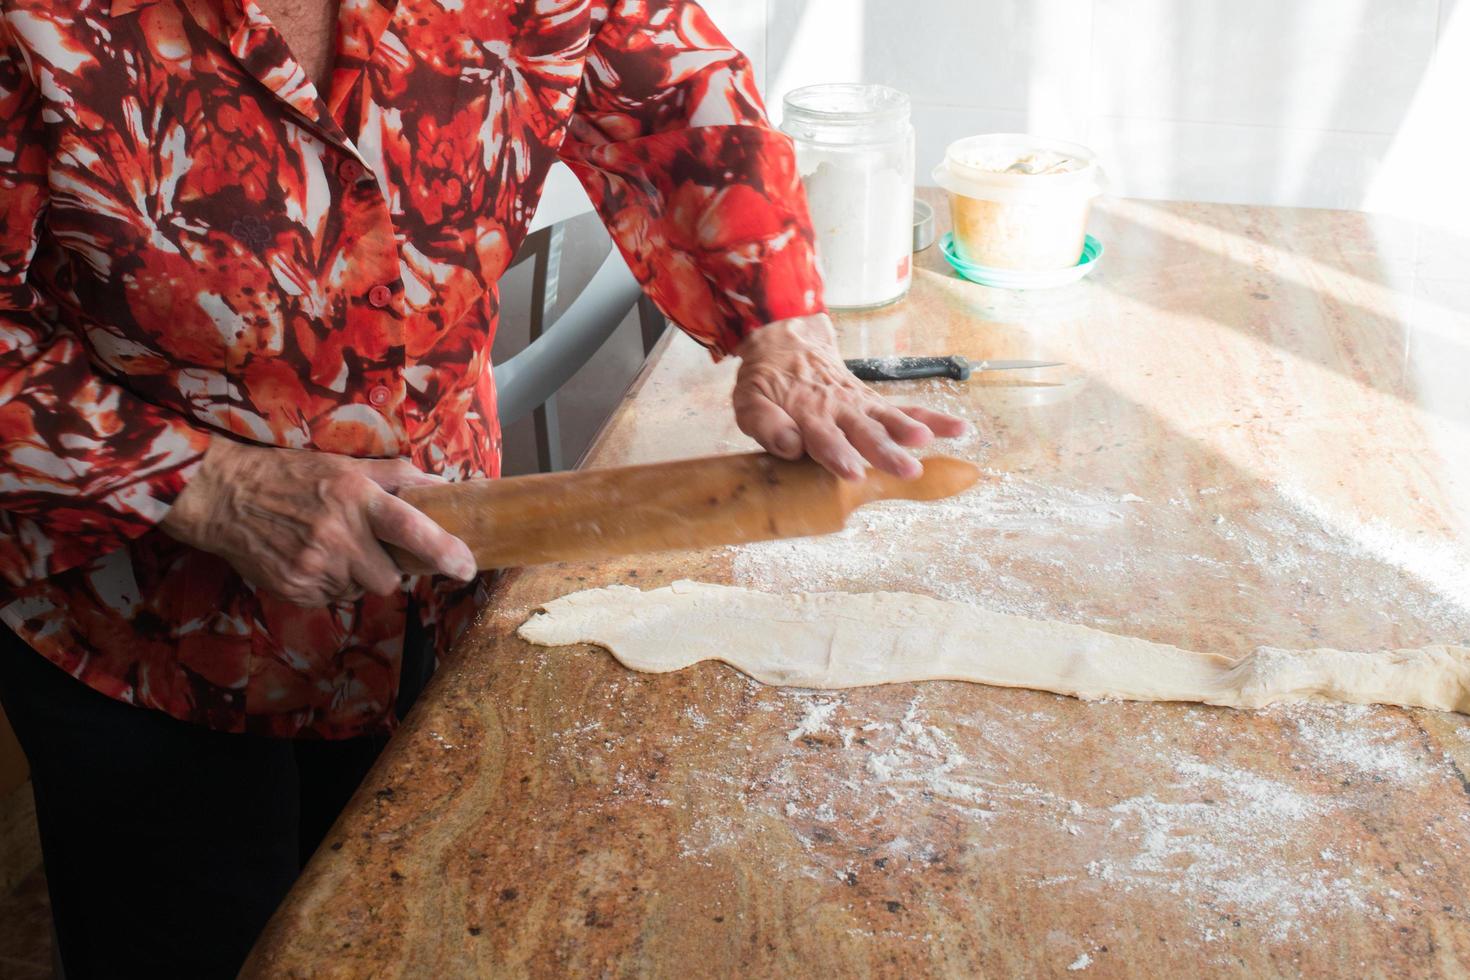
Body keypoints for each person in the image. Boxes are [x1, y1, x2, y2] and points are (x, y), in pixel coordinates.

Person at [0, 0, 966, 975]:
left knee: (403, 931)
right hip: (139, 622)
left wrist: (785, 324)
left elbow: (670, 89)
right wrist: (208, 484)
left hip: (430, 574)